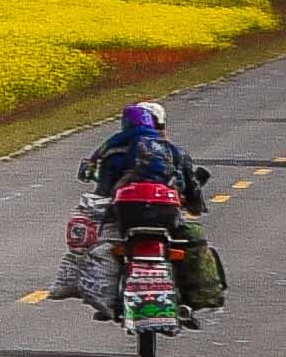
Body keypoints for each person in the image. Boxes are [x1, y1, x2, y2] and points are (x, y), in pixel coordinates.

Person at [79, 99, 225, 315]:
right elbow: (192, 191)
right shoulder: (174, 151)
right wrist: (193, 203)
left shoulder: (112, 150)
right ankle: (194, 297)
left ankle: (108, 296)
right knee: (191, 238)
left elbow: (102, 191)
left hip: (125, 216)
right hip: (166, 216)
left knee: (105, 244)